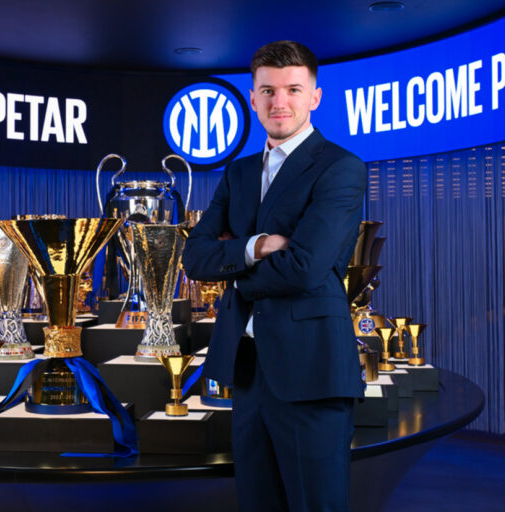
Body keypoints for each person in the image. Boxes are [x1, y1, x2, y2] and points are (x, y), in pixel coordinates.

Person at [182, 40, 367, 511]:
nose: (278, 102)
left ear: (315, 97)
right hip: (249, 370)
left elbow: (304, 268)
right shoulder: (239, 173)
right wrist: (258, 246)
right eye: (267, 90)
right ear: (252, 97)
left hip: (312, 370)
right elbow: (195, 257)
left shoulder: (340, 168)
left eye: (292, 89)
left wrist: (233, 270)